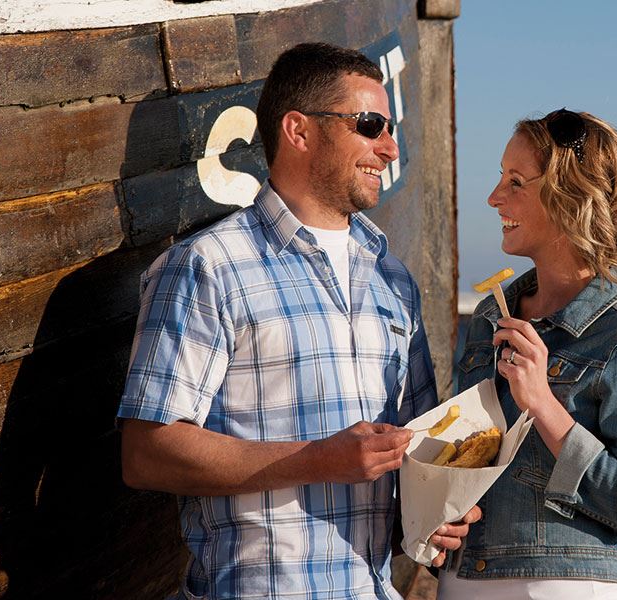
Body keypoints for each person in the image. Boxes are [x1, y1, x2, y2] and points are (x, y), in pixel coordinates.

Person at [117, 42, 476, 600]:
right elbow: (146, 453)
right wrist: (316, 460)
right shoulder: (208, 267)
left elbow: (416, 456)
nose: (389, 146)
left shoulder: (394, 280)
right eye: (369, 124)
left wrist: (439, 513)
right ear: (299, 131)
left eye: (387, 127)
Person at [439, 109, 617, 599]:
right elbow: (463, 461)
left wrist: (543, 404)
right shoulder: (491, 316)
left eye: (515, 182)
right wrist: (439, 520)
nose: (493, 198)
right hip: (462, 583)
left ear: (568, 198)